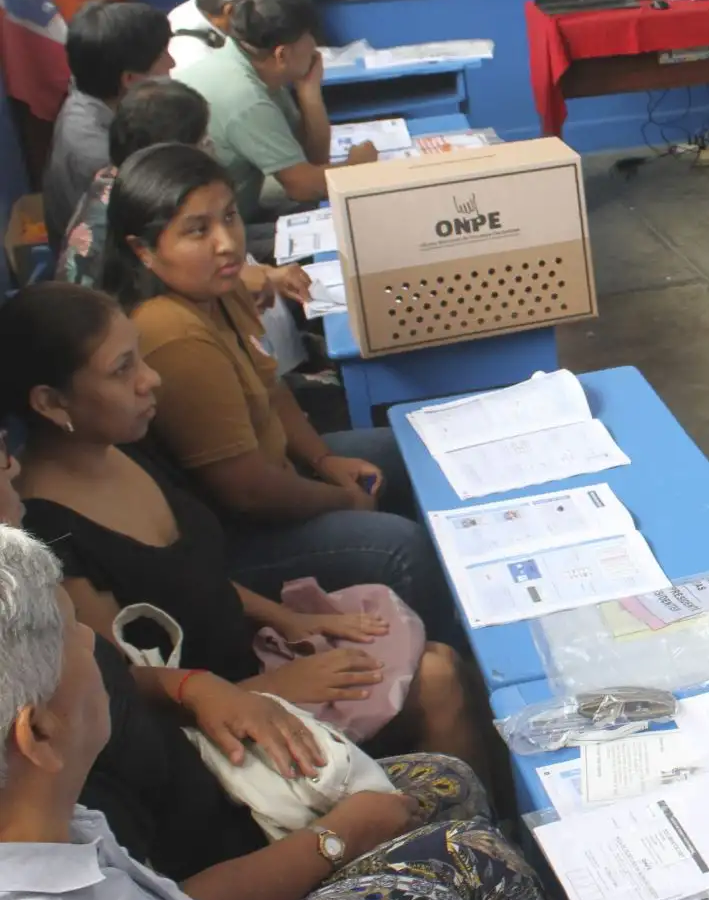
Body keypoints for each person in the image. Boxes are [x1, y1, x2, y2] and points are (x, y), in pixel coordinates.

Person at [1, 282, 493, 780]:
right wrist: (272, 690)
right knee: (439, 681)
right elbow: (127, 688)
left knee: (439, 660)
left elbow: (190, 572)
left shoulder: (122, 447)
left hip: (250, 665)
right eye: (122, 369)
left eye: (140, 359)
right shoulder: (49, 533)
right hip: (214, 729)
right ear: (50, 402)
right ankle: (469, 835)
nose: (151, 379)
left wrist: (287, 619)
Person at [0, 520, 549, 900]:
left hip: (225, 835)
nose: (96, 646)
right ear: (39, 732)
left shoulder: (57, 812)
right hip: (236, 880)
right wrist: (339, 837)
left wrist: (195, 687)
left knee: (447, 781)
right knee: (478, 862)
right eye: (74, 636)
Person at [99, 143, 463, 647]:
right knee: (401, 547)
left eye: (229, 216)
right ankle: (452, 674)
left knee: (408, 446)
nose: (227, 243)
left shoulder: (216, 287)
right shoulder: (171, 334)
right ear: (143, 249)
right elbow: (246, 492)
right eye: (197, 230)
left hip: (277, 473)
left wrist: (324, 458)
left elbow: (270, 387)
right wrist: (344, 502)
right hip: (240, 539)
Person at [57, 79, 314, 312]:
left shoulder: (118, 177)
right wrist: (244, 280)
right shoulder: (133, 217)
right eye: (202, 142)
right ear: (170, 158)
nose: (211, 149)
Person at [176, 0, 375, 227]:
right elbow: (302, 187)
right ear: (281, 54)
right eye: (309, 37)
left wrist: (309, 93)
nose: (314, 46)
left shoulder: (254, 65)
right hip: (216, 233)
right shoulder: (245, 98)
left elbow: (312, 159)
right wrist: (357, 167)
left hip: (233, 215)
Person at [44, 0, 175, 245]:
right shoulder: (99, 155)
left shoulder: (89, 90)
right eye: (162, 56)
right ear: (129, 78)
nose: (172, 63)